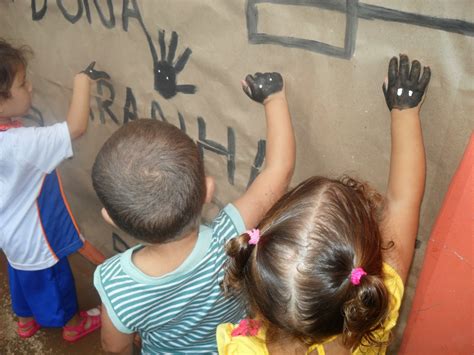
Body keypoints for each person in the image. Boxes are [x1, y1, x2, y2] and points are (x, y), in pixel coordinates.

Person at [217, 54, 431, 355]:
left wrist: (274, 100)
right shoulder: (379, 310)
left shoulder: (241, 349)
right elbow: (402, 203)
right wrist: (404, 110)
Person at [91, 71, 295, 354]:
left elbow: (114, 348)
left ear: (110, 219)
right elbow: (278, 171)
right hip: (234, 347)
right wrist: (274, 97)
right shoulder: (230, 238)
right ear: (208, 190)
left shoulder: (115, 285)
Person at [0, 38, 109, 342]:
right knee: (54, 280)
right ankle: (73, 325)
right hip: (38, 239)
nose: (31, 87)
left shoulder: (10, 136)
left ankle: (25, 321)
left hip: (8, 233)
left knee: (20, 277)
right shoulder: (20, 144)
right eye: (23, 84)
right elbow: (75, 127)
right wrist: (83, 81)